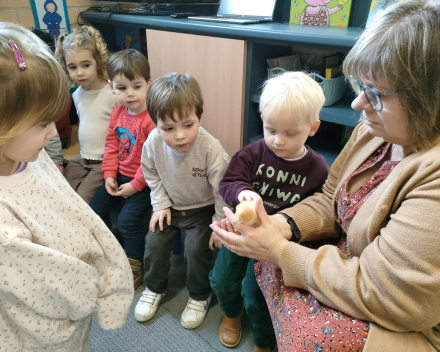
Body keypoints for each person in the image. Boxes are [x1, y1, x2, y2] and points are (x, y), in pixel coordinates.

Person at [211, 0, 440, 351]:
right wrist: (281, 225)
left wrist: (279, 250)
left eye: (376, 94)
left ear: (430, 100)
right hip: (346, 265)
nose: (357, 104)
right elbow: (331, 198)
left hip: (391, 306)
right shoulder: (373, 131)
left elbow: (390, 293)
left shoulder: (432, 173)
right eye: (359, 86)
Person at [0, 22, 133, 352]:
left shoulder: (30, 154)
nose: (52, 134)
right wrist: (95, 288)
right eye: (42, 123)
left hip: (74, 327)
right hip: (43, 336)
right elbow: (53, 292)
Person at [210, 72, 330, 352]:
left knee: (258, 294)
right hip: (240, 232)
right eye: (271, 130)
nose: (278, 140)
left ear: (312, 128)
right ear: (262, 119)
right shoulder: (252, 154)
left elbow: (317, 211)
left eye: (290, 133)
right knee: (223, 279)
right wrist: (241, 192)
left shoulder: (318, 169)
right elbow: (228, 182)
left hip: (276, 242)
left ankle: (264, 341)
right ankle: (231, 314)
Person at [134, 73, 231, 329]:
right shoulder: (153, 143)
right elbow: (150, 172)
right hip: (171, 206)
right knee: (153, 243)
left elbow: (223, 190)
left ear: (200, 116)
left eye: (188, 125)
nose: (179, 136)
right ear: (155, 124)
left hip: (203, 210)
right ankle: (154, 288)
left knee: (196, 250)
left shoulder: (212, 149)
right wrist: (160, 203)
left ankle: (199, 295)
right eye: (168, 128)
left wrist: (219, 223)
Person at [89, 49, 154, 289]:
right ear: (111, 87)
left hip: (145, 183)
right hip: (118, 176)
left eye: (137, 86)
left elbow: (154, 161)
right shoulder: (117, 114)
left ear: (148, 83)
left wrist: (135, 186)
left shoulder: (151, 120)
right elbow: (112, 146)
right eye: (122, 88)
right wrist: (108, 176)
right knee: (93, 211)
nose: (130, 94)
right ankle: (112, 253)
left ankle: (136, 264)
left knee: (127, 221)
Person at [55, 25, 117, 203]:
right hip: (83, 156)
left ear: (98, 61)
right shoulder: (76, 94)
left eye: (86, 65)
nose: (79, 72)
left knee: (82, 198)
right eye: (72, 67)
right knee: (62, 190)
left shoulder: (112, 94)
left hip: (105, 162)